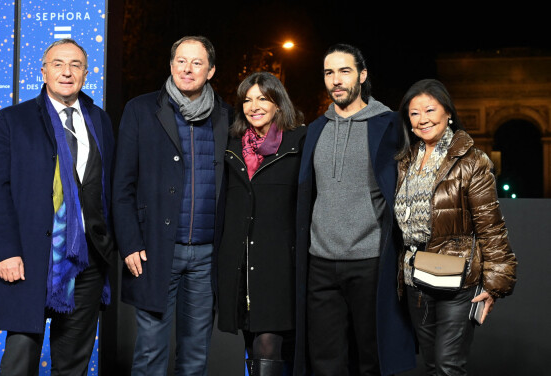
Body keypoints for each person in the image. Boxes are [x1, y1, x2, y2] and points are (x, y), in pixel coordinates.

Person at [0, 38, 115, 375]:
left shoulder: (100, 121)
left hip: (87, 263)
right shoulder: (13, 119)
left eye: (75, 65)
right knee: (20, 359)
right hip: (29, 258)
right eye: (58, 64)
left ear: (87, 73)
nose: (67, 72)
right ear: (44, 72)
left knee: (73, 364)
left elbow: (107, 188)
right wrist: (7, 252)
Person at [294, 43, 416, 376]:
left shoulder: (389, 125)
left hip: (370, 262)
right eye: (329, 72)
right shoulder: (316, 130)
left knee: (372, 359)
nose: (336, 80)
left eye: (344, 71)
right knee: (324, 362)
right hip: (319, 262)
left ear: (362, 75)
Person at [112, 35, 231, 375]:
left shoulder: (225, 115)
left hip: (207, 255)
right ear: (170, 65)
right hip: (154, 250)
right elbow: (122, 185)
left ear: (210, 71)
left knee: (195, 355)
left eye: (196, 63)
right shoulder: (141, 109)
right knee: (150, 352)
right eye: (181, 61)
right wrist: (130, 244)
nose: (187, 69)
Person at [394, 78, 518, 375]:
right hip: (415, 278)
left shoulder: (472, 161)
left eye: (430, 109)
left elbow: (491, 226)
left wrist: (494, 285)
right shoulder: (404, 160)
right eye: (414, 113)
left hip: (458, 278)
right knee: (432, 364)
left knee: (449, 365)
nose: (422, 119)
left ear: (448, 112)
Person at [216, 72, 306, 375]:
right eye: (247, 99)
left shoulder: (299, 141)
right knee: (252, 344)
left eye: (262, 98)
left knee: (270, 343)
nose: (254, 106)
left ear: (278, 103)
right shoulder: (231, 145)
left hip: (279, 265)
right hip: (240, 265)